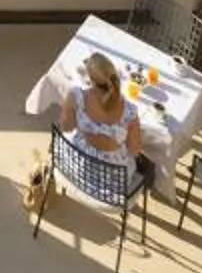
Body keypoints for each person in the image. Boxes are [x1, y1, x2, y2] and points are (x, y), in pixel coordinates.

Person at [59, 49, 150, 186]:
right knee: (147, 166)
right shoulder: (130, 112)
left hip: (76, 167)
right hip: (112, 184)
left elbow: (66, 127)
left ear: (90, 78)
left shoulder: (75, 96)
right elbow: (134, 150)